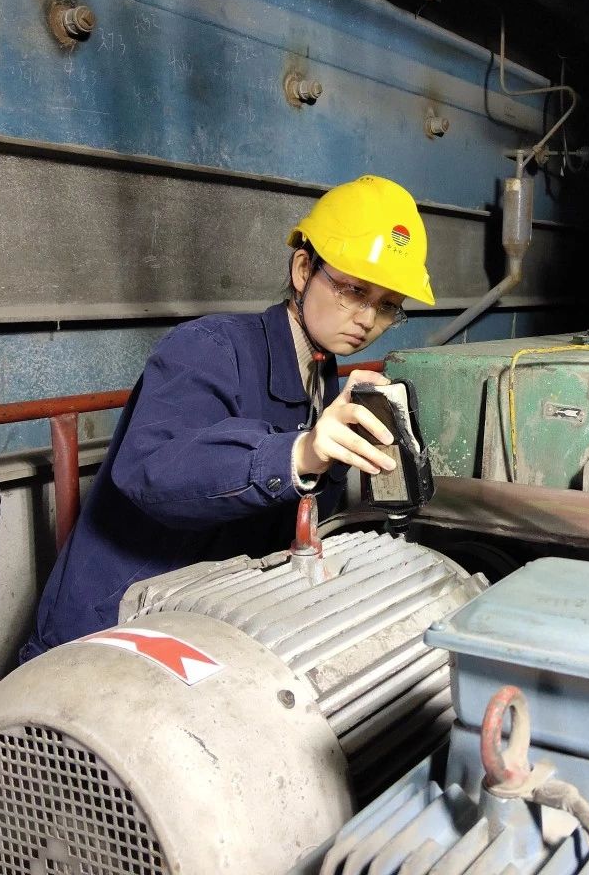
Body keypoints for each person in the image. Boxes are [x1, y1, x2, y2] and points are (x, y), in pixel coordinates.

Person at [21, 176, 435, 660]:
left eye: (387, 306)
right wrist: (298, 452)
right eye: (354, 291)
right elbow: (152, 469)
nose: (367, 319)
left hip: (205, 622)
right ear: (303, 269)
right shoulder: (209, 347)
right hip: (106, 632)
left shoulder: (321, 377)